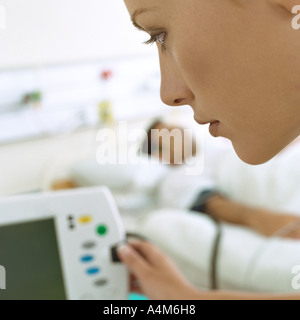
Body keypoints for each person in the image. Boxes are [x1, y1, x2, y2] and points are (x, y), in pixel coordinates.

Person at [118, 0, 300, 300]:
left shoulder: (219, 142)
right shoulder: (180, 175)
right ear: (160, 155)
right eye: (157, 37)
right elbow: (206, 200)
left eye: (160, 35)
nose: (169, 94)